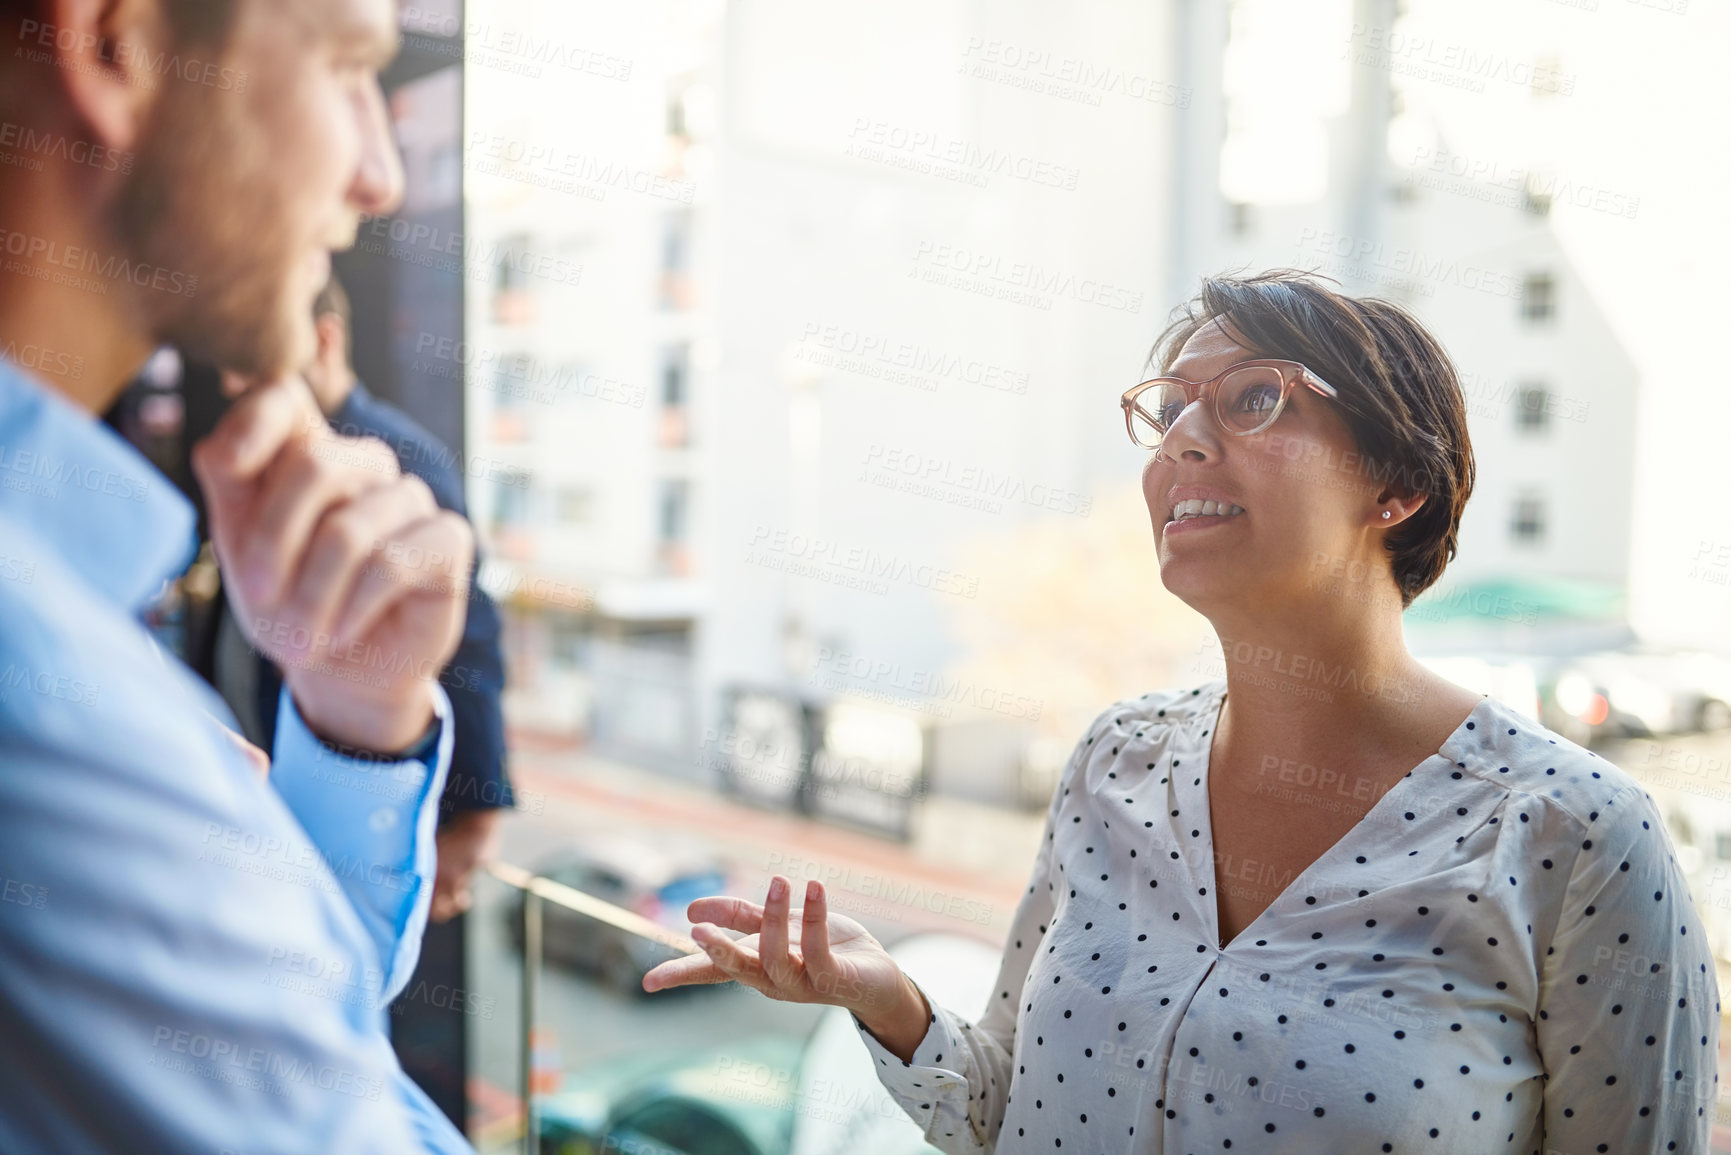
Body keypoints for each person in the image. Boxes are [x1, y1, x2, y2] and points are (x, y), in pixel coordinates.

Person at [645, 271, 1721, 1152]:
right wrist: (891, 1003)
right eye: (1169, 411)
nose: (1181, 441)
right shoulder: (1113, 761)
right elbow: (1006, 1117)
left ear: (1398, 483)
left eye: (1254, 398)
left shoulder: (1576, 839)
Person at [0, 1, 479, 1151]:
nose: (380, 178)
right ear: (119, 47)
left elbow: (283, 1021)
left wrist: (357, 720)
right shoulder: (43, 711)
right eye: (346, 67)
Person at [239, 274, 513, 923]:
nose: (233, 387)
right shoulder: (286, 455)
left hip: (373, 805)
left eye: (252, 364)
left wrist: (477, 809)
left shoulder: (398, 461)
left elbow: (468, 636)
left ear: (323, 341)